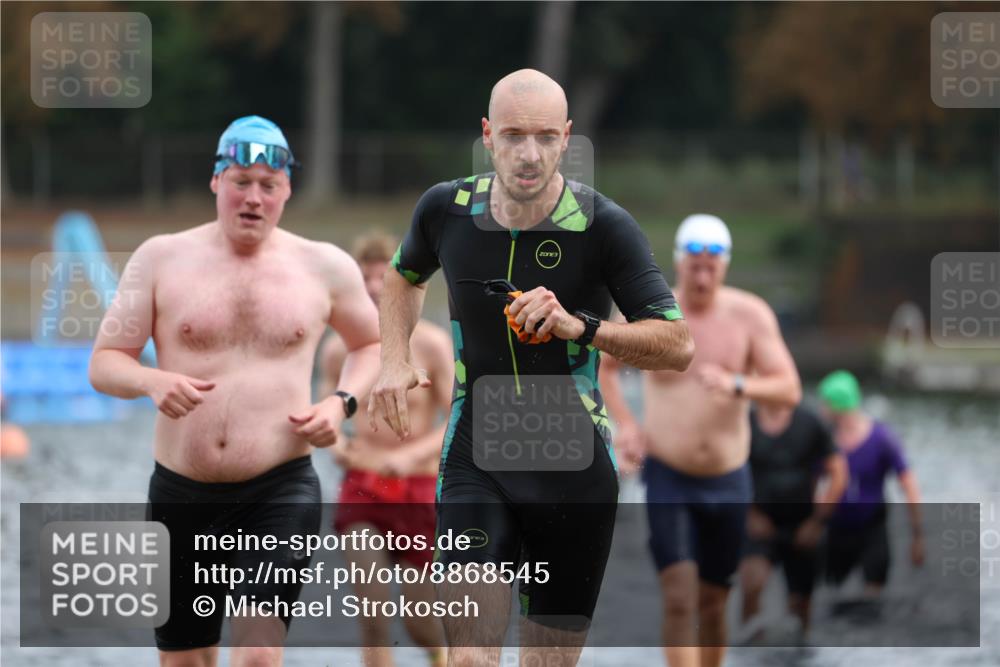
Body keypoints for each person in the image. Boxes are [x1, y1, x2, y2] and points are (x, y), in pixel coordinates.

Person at [368, 69, 693, 666]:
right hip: (476, 456)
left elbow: (677, 342)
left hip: (574, 468)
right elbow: (402, 276)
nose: (529, 154)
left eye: (545, 137)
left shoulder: (603, 226)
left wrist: (582, 328)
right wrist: (394, 357)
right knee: (468, 659)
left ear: (567, 137)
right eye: (514, 135)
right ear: (487, 136)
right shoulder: (447, 209)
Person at [89, 115, 381, 667]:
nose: (253, 198)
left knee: (257, 654)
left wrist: (339, 403)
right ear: (216, 181)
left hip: (279, 489)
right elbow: (105, 363)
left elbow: (373, 346)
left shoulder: (325, 266)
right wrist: (152, 380)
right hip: (180, 493)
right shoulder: (160, 258)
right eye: (241, 181)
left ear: (287, 190)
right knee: (186, 660)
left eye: (268, 186)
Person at [600, 213, 801, 667]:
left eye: (713, 266)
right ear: (679, 264)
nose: (703, 275)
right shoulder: (654, 314)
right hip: (669, 475)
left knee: (713, 600)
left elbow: (788, 387)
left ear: (725, 265)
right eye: (695, 266)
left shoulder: (749, 315)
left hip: (728, 479)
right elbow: (604, 365)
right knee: (678, 597)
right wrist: (626, 425)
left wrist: (737, 384)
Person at [319, 232, 453, 667]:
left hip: (419, 489)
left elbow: (460, 419)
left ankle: (442, 656)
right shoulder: (342, 349)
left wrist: (410, 456)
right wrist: (336, 444)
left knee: (420, 620)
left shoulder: (432, 344)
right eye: (366, 278)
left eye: (384, 276)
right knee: (373, 612)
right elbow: (327, 412)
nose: (376, 286)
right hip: (362, 487)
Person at [737, 402, 848, 642]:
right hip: (761, 523)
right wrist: (749, 514)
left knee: (801, 603)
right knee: (752, 585)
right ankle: (748, 647)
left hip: (802, 525)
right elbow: (728, 470)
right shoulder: (745, 423)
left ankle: (799, 648)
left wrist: (817, 522)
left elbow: (838, 473)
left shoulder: (810, 423)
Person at [817, 370, 924, 595]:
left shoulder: (882, 438)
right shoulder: (824, 440)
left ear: (839, 406)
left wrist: (917, 535)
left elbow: (909, 485)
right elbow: (811, 481)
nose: (821, 409)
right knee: (831, 598)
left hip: (872, 528)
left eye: (825, 403)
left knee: (873, 599)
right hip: (836, 528)